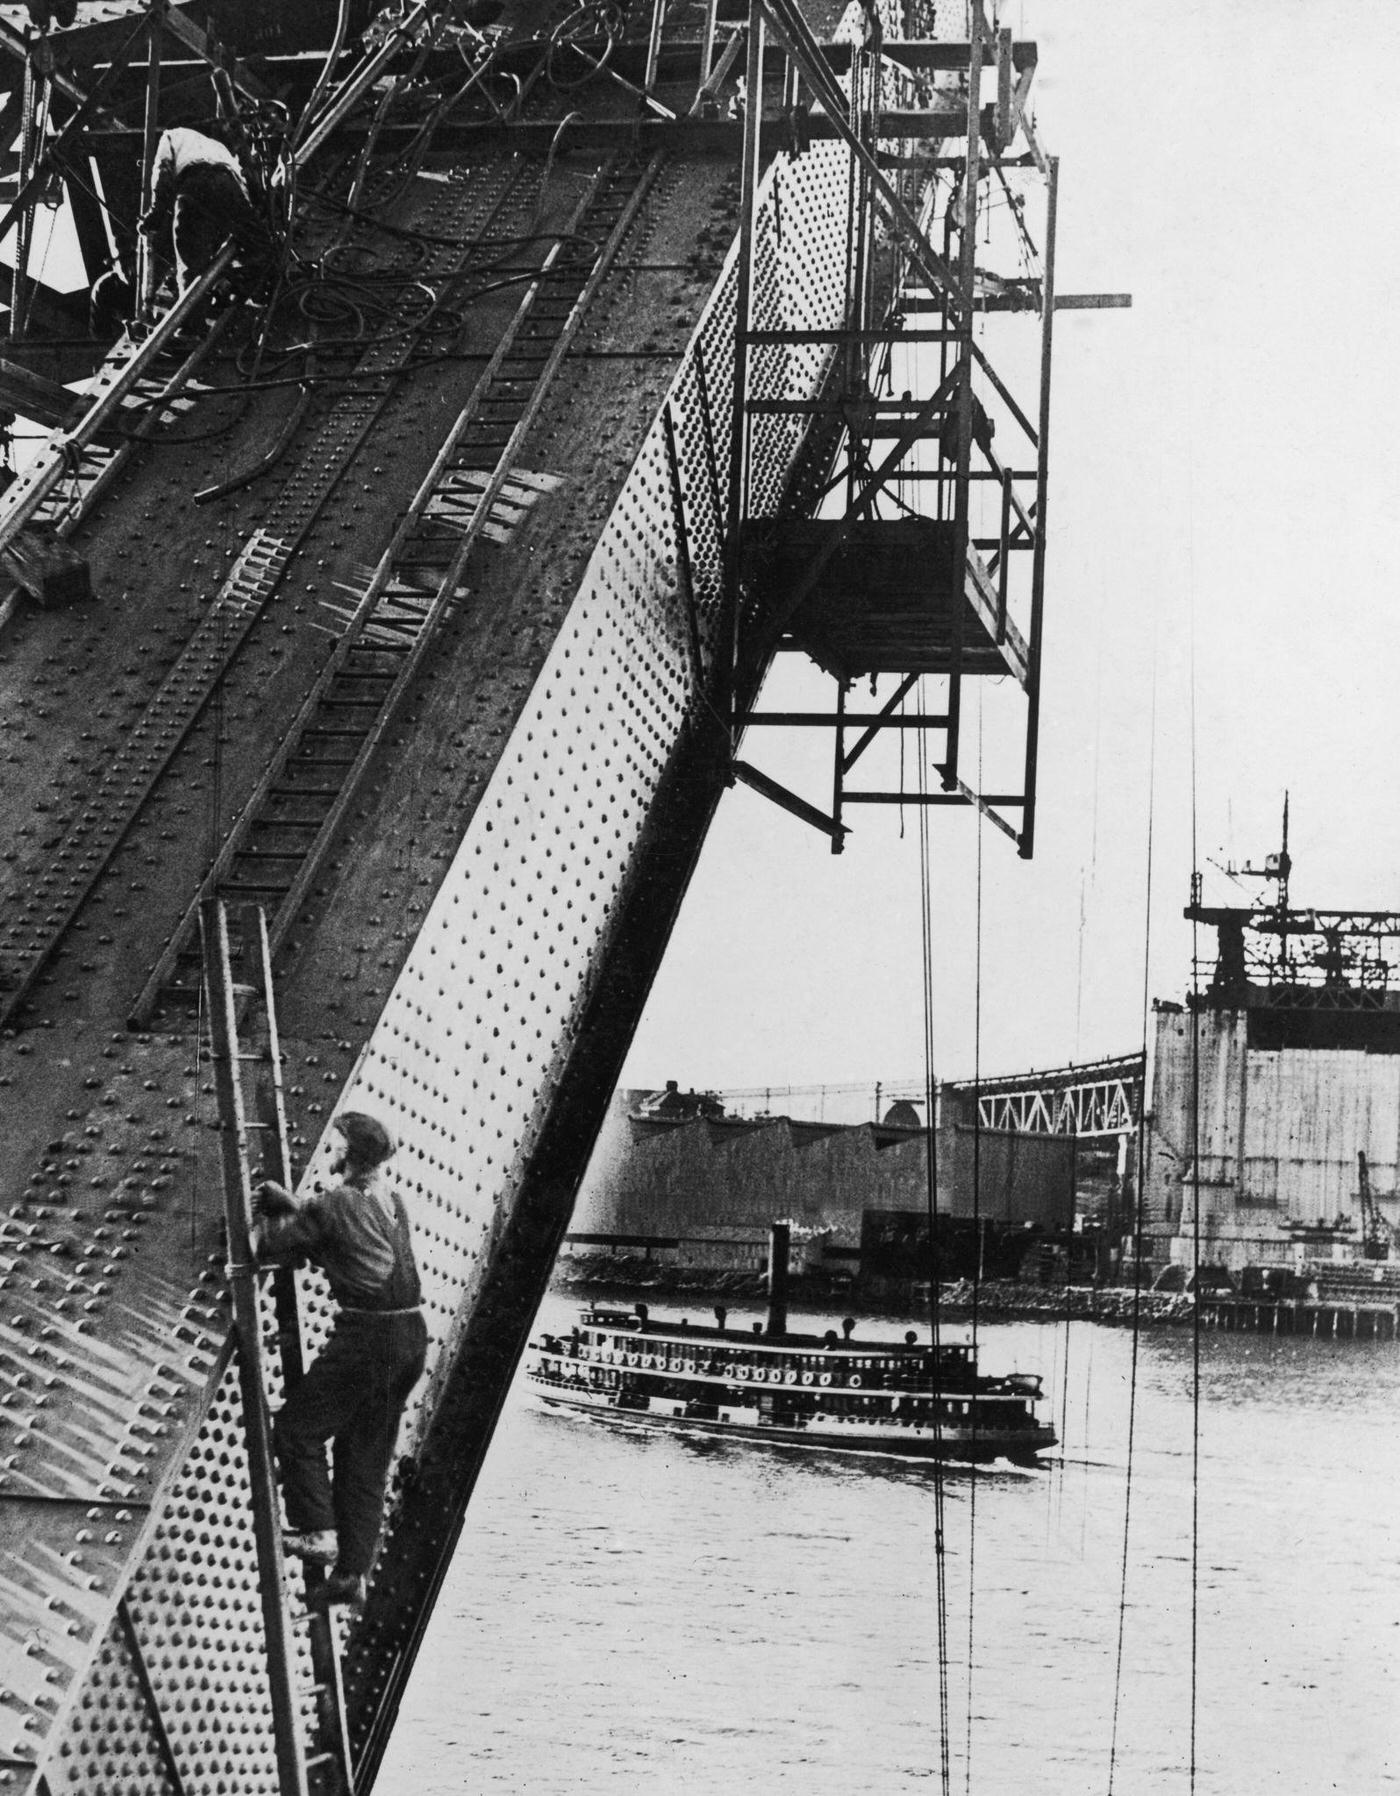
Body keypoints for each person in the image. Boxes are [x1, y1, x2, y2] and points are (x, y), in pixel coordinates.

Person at [255, 1111, 428, 1608]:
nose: (329, 1153)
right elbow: (346, 1229)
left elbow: (277, 1244)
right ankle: (353, 1572)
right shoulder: (391, 1200)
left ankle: (318, 1531)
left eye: (334, 1145)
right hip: (409, 1337)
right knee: (364, 1457)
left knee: (297, 1430)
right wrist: (299, 1207)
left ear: (349, 1152)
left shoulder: (334, 1204)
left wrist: (274, 1216)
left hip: (367, 1338)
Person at [137, 124, 266, 293]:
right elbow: (244, 195)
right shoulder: (224, 152)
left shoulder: (174, 134)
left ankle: (193, 314)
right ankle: (244, 284)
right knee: (261, 245)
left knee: (191, 274)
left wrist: (155, 215)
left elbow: (163, 171)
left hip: (192, 188)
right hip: (227, 185)